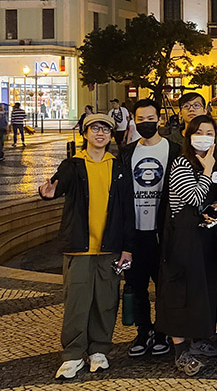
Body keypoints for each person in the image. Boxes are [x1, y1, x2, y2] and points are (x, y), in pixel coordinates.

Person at [38, 113, 135, 379]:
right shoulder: (73, 164)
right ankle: (72, 354)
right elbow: (58, 184)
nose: (100, 133)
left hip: (110, 247)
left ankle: (99, 350)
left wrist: (127, 247)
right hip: (79, 247)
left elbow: (128, 209)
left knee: (105, 301)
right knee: (76, 303)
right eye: (95, 129)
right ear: (85, 133)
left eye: (105, 129)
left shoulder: (118, 166)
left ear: (110, 134)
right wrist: (49, 193)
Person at [155, 115, 217, 376]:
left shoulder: (212, 162)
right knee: (179, 291)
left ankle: (199, 339)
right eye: (200, 131)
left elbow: (209, 198)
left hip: (204, 237)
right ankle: (180, 351)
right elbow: (194, 197)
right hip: (182, 239)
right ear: (189, 134)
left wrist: (215, 207)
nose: (205, 136)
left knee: (202, 289)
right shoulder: (182, 162)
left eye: (210, 132)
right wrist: (207, 170)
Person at [119, 99, 181, 359]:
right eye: (141, 119)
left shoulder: (175, 150)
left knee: (165, 284)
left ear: (160, 119)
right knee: (136, 284)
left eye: (150, 118)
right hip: (135, 231)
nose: (146, 123)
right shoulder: (126, 152)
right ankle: (143, 331)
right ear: (135, 121)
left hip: (163, 231)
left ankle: (163, 332)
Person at [167, 92, 217, 169]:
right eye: (186, 106)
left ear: (205, 111)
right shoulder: (171, 140)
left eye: (196, 105)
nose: (191, 109)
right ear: (180, 113)